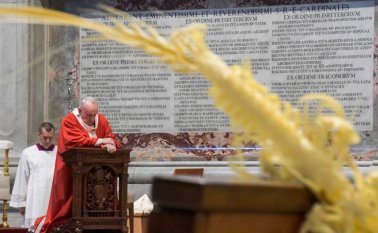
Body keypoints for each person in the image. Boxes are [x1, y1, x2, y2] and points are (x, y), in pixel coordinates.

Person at [34, 97, 122, 233]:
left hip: (99, 175)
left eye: (95, 114)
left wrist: (112, 144)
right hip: (73, 172)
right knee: (69, 207)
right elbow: (72, 142)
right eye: (89, 115)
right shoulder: (70, 121)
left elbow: (111, 138)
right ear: (80, 110)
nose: (92, 119)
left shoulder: (102, 120)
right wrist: (100, 142)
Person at [10, 122, 57, 228]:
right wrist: (21, 203)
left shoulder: (59, 152)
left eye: (50, 138)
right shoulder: (28, 153)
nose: (48, 141)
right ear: (38, 134)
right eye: (45, 137)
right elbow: (22, 178)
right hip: (34, 198)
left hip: (53, 198)